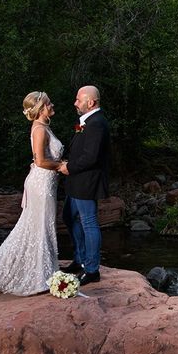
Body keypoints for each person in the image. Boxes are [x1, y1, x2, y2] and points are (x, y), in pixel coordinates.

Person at [0, 91, 64, 295]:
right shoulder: (39, 130)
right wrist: (61, 165)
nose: (52, 105)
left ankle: (45, 271)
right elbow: (41, 161)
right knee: (40, 226)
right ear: (41, 108)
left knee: (43, 225)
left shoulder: (43, 127)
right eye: (49, 103)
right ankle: (38, 277)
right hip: (42, 184)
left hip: (46, 183)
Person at [59, 85, 110, 286]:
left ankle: (92, 269)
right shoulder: (86, 122)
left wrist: (68, 167)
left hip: (86, 181)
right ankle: (80, 260)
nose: (75, 103)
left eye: (78, 100)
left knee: (88, 222)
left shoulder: (97, 123)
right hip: (76, 181)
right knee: (68, 217)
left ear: (91, 102)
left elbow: (91, 157)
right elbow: (79, 148)